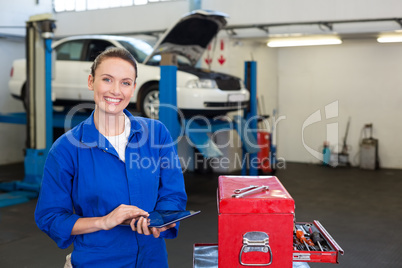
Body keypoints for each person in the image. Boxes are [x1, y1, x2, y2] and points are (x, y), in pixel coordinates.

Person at [35, 47, 187, 267]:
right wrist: (104, 221)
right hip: (97, 261)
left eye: (125, 82)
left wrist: (162, 220)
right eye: (107, 79)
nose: (116, 91)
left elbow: (173, 195)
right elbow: (51, 217)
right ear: (91, 82)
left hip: (152, 260)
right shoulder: (66, 149)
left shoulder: (156, 134)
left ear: (133, 88)